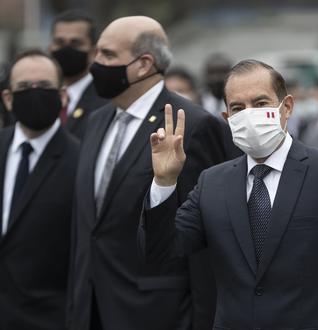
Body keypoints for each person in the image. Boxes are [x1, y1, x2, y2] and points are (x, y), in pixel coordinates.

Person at [139, 59, 318, 329]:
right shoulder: (212, 182)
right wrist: (164, 182)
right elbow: (162, 251)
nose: (249, 114)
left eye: (260, 104)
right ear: (227, 118)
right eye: (238, 108)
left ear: (287, 107)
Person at [68, 16, 227, 330]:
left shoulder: (191, 125)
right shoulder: (96, 121)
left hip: (157, 314)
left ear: (143, 64)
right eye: (97, 53)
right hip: (89, 310)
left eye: (108, 55)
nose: (96, 64)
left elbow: (204, 243)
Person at [0, 50, 79, 329]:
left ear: (62, 96)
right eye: (24, 88)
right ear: (8, 98)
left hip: (49, 318)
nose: (34, 94)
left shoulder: (82, 160)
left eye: (44, 87)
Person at [49, 10, 107, 139]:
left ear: (94, 52)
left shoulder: (106, 100)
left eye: (75, 43)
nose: (66, 49)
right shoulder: (40, 93)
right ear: (50, 48)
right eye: (60, 42)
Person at [200, 53, 231, 117]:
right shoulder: (197, 101)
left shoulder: (239, 99)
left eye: (223, 72)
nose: (218, 78)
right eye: (213, 73)